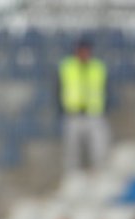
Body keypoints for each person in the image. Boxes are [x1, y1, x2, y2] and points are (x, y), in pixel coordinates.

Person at [59, 39, 109, 173]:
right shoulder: (67, 67)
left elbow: (106, 89)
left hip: (94, 113)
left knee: (98, 146)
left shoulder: (98, 67)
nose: (83, 53)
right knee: (72, 148)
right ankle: (72, 174)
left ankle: (99, 171)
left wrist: (104, 108)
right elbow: (58, 88)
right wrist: (61, 109)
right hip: (73, 113)